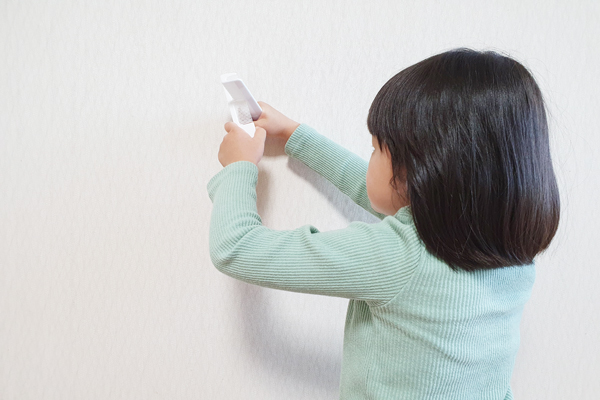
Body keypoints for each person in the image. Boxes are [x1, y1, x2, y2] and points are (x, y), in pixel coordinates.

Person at [206, 48, 560, 399]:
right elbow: (385, 194)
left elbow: (236, 248)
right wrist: (296, 135)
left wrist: (239, 166)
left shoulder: (398, 256)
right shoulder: (512, 252)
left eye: (376, 149)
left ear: (418, 175)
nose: (372, 156)